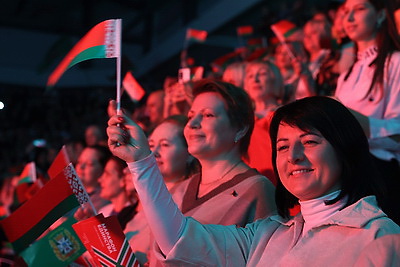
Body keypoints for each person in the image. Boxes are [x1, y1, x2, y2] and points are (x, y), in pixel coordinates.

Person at [107, 96, 400, 266]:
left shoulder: (381, 239)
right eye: (282, 146)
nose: (293, 156)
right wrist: (141, 161)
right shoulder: (266, 235)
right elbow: (179, 238)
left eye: (309, 141)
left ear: (345, 147)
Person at [335, 0, 400, 224]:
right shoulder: (345, 75)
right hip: (349, 177)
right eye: (346, 12)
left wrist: (351, 119)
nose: (349, 18)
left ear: (381, 15)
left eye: (359, 9)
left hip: (384, 178)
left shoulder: (395, 62)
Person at [124, 115, 199, 265]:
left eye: (165, 145)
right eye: (150, 145)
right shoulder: (141, 204)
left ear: (189, 153)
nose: (154, 152)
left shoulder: (190, 201)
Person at [75, 145, 111, 212]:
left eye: (89, 164)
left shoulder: (103, 201)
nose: (81, 167)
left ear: (103, 169)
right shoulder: (71, 193)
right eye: (79, 162)